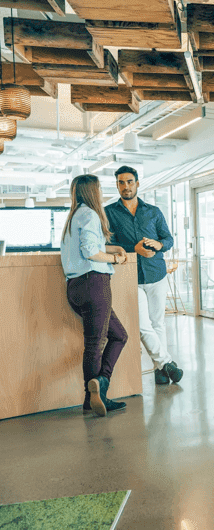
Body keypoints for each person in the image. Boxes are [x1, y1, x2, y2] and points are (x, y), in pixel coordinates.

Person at [105, 166, 184, 385]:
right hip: (131, 277)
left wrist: (159, 244)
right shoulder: (109, 213)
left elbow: (168, 239)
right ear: (117, 185)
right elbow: (107, 244)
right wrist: (133, 249)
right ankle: (166, 362)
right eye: (121, 182)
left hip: (156, 273)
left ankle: (160, 369)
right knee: (142, 325)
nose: (126, 186)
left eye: (129, 182)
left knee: (158, 323)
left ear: (137, 184)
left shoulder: (153, 211)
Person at [61, 174, 129, 417]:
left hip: (75, 287)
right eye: (99, 188)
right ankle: (94, 395)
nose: (101, 192)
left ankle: (99, 386)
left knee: (119, 335)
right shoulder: (90, 214)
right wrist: (115, 259)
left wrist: (113, 247)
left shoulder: (74, 217)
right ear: (92, 191)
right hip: (94, 284)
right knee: (95, 344)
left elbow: (88, 246)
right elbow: (90, 252)